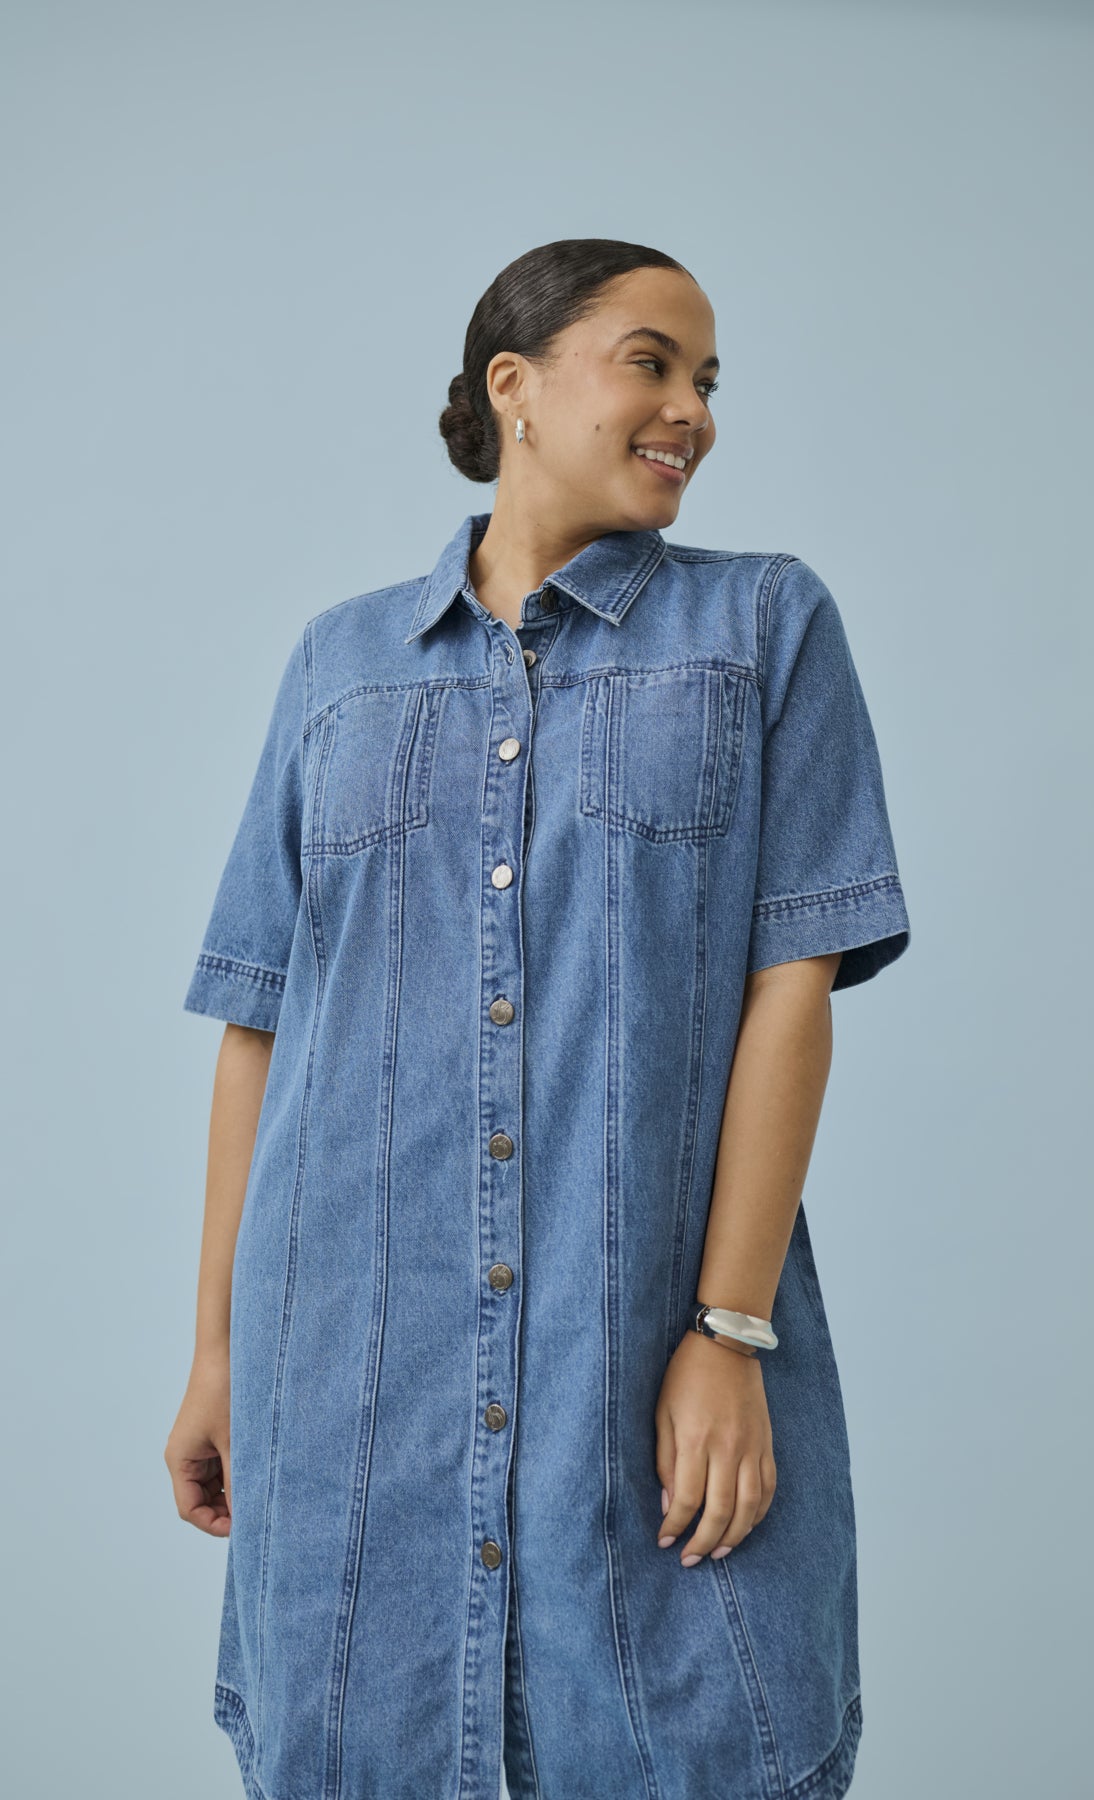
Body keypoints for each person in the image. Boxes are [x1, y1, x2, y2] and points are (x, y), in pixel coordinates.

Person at [164, 237, 912, 1800]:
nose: (693, 410)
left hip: (636, 1346)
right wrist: (219, 1355)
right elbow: (260, 1023)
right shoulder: (341, 664)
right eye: (652, 363)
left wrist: (730, 1330)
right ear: (515, 385)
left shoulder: (763, 628)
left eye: (708, 381)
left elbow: (793, 988)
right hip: (349, 1369)